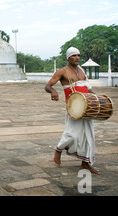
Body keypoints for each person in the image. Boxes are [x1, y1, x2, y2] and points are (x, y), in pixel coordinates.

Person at [44, 47, 100, 175]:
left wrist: (96, 99)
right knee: (72, 134)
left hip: (86, 106)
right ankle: (58, 150)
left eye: (79, 55)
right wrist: (53, 91)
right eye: (74, 55)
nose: (77, 58)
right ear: (68, 58)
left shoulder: (82, 70)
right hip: (73, 107)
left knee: (88, 135)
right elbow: (48, 85)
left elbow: (87, 88)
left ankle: (85, 164)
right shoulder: (62, 72)